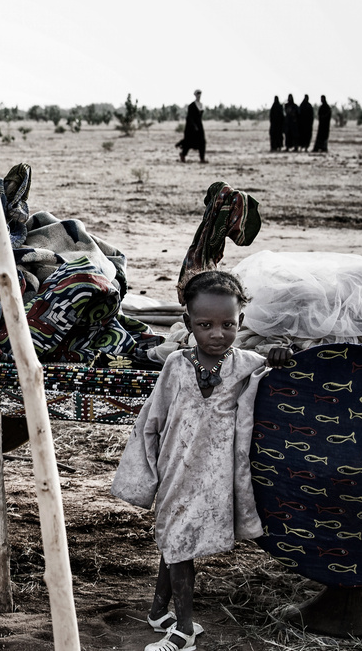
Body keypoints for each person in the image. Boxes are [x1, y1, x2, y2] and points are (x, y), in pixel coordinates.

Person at [111, 270, 292, 651]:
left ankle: (184, 630)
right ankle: (161, 610)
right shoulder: (176, 364)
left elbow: (283, 371)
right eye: (204, 325)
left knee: (178, 540)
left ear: (240, 322)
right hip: (175, 469)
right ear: (187, 323)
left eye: (228, 324)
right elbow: (152, 419)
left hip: (215, 475)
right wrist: (144, 473)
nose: (217, 334)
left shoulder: (247, 365)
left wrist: (279, 355)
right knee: (175, 539)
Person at [176, 90, 206, 163]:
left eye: (200, 94)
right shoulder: (191, 105)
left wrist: (198, 126)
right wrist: (194, 126)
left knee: (202, 141)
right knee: (188, 142)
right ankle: (183, 155)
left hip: (199, 126)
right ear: (195, 95)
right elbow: (189, 117)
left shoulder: (201, 105)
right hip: (191, 127)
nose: (199, 95)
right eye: (197, 94)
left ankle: (202, 159)